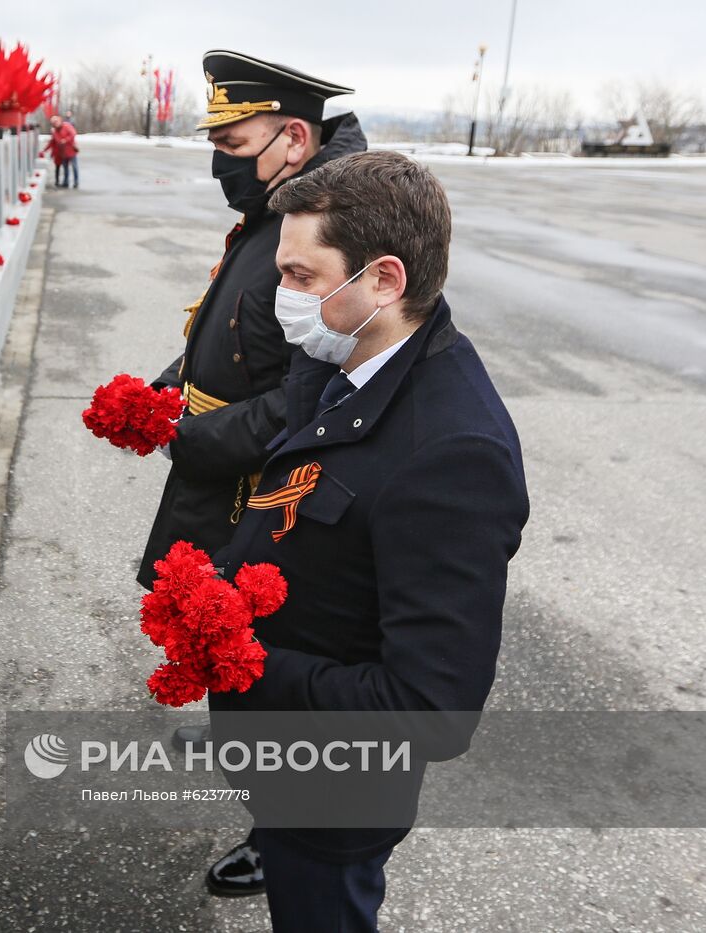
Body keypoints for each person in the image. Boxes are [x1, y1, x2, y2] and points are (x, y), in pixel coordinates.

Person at [204, 150, 530, 931]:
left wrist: (244, 659)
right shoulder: (343, 357)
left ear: (384, 279)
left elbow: (431, 708)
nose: (281, 296)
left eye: (301, 277)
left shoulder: (453, 452)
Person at [138, 53, 366, 894]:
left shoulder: (331, 223)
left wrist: (199, 434)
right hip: (224, 466)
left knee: (265, 661)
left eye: (232, 141)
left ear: (294, 137)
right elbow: (236, 326)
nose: (219, 160)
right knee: (237, 666)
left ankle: (287, 834)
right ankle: (263, 785)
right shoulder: (283, 206)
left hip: (258, 486)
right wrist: (167, 387)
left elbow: (316, 388)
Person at [40, 114, 79, 188]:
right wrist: (44, 150)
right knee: (65, 168)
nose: (55, 123)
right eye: (54, 122)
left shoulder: (66, 125)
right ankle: (65, 182)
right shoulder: (54, 131)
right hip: (63, 152)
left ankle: (76, 182)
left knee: (74, 167)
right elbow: (52, 142)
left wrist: (65, 140)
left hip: (71, 150)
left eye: (56, 121)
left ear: (59, 120)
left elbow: (73, 134)